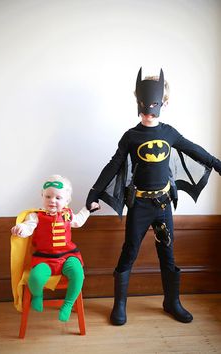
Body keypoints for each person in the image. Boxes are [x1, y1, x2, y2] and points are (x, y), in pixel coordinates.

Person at [86, 68, 221, 325]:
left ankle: (172, 302)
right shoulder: (131, 136)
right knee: (130, 251)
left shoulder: (169, 133)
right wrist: (94, 193)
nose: (148, 113)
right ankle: (120, 305)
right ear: (137, 103)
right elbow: (113, 165)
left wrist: (216, 163)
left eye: (154, 107)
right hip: (139, 205)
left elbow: (193, 150)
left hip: (163, 204)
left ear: (164, 104)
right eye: (143, 107)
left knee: (167, 254)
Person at [11, 174, 96, 322]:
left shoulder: (67, 214)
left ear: (67, 201)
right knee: (35, 278)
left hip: (68, 256)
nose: (52, 201)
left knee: (78, 273)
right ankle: (37, 295)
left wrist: (87, 209)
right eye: (48, 196)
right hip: (44, 259)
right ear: (42, 196)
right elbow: (28, 228)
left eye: (58, 198)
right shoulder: (36, 216)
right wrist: (20, 229)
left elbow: (79, 221)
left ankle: (68, 304)